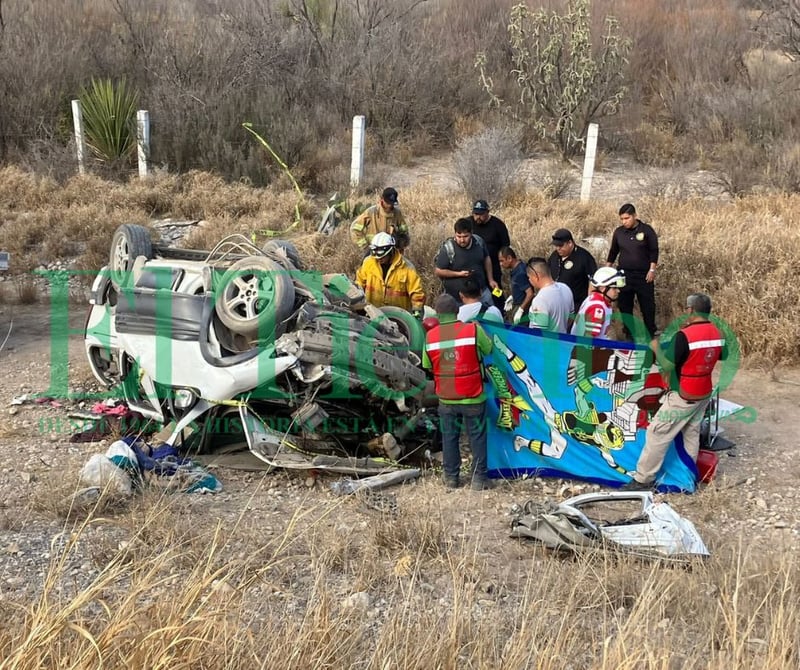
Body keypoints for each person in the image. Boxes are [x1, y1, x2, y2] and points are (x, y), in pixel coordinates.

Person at [623, 292, 728, 490]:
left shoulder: (685, 336)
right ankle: (686, 477)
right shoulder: (718, 332)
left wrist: (656, 348)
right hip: (704, 392)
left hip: (684, 395)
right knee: (691, 433)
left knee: (657, 432)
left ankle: (643, 479)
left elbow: (666, 365)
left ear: (691, 310)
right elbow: (722, 355)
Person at [423, 293, 493, 490]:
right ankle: (479, 480)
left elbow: (427, 365)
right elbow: (488, 350)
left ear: (437, 314)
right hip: (473, 395)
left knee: (449, 437)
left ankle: (451, 478)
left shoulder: (430, 336)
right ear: (457, 311)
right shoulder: (472, 330)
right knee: (477, 437)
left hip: (446, 397)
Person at [606, 203, 659, 339]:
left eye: (627, 218)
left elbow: (654, 251)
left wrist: (652, 269)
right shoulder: (619, 232)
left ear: (634, 216)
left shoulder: (646, 231)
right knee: (625, 306)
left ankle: (650, 333)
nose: (624, 222)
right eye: (622, 219)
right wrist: (607, 269)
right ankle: (629, 334)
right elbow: (613, 251)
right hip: (624, 275)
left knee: (647, 306)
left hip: (643, 275)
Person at [354, 232, 425, 315]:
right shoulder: (368, 263)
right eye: (376, 256)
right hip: (373, 313)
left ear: (391, 251)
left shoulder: (407, 268)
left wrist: (417, 310)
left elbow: (417, 292)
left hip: (398, 316)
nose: (379, 259)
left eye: (382, 256)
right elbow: (359, 284)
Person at [434, 217, 497, 306]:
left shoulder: (479, 242)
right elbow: (439, 271)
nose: (462, 240)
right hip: (457, 298)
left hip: (481, 293)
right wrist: (459, 274)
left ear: (471, 233)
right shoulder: (448, 248)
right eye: (459, 236)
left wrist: (491, 280)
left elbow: (486, 258)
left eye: (465, 236)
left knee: (490, 315)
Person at [471, 200, 510, 311]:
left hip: (493, 268)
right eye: (476, 214)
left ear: (487, 212)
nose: (478, 217)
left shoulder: (498, 225)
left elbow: (505, 245)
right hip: (475, 268)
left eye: (481, 215)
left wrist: (502, 261)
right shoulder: (468, 224)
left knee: (496, 292)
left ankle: (501, 311)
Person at [350, 187, 410, 254]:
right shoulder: (371, 212)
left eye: (392, 203)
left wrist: (402, 242)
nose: (390, 206)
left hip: (391, 252)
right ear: (382, 200)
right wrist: (365, 247)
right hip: (373, 251)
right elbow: (355, 228)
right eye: (388, 203)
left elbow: (404, 232)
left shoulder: (397, 213)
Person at [547, 228, 598, 310]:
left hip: (576, 304)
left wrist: (589, 304)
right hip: (556, 302)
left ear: (570, 243)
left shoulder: (584, 257)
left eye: (561, 246)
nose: (558, 248)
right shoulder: (554, 256)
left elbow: (593, 280)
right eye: (556, 246)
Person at [570, 267, 626, 338]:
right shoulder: (598, 308)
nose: (618, 291)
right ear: (603, 288)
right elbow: (589, 339)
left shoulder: (595, 298)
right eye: (614, 288)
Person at [525, 257, 574, 333]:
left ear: (536, 276)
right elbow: (571, 318)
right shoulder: (566, 288)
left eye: (529, 277)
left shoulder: (540, 300)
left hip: (547, 344)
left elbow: (538, 333)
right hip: (563, 341)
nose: (529, 280)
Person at [499, 246, 534, 324]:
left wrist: (521, 309)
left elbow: (530, 293)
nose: (501, 264)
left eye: (502, 261)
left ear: (509, 258)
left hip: (524, 307)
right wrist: (513, 297)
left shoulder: (519, 273)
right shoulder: (518, 268)